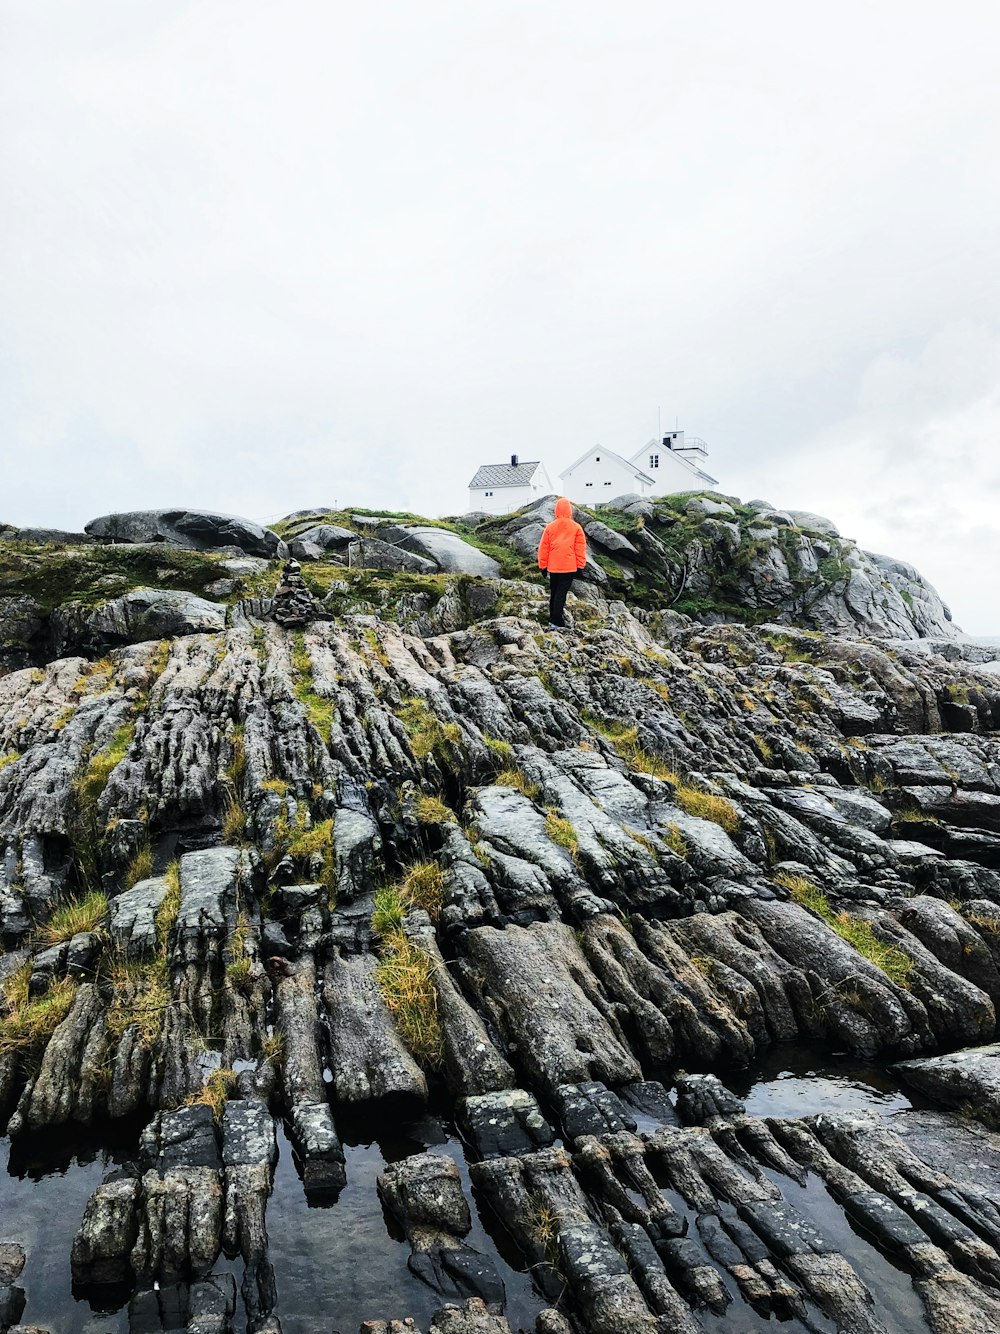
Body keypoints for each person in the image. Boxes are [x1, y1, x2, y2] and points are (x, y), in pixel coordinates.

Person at [537, 496, 587, 628]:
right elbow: (580, 549)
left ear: (556, 510)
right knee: (561, 594)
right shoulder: (576, 527)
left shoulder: (550, 527)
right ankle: (556, 621)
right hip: (569, 567)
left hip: (553, 567)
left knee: (554, 592)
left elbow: (544, 548)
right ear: (570, 510)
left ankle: (552, 618)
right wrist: (580, 566)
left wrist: (543, 566)